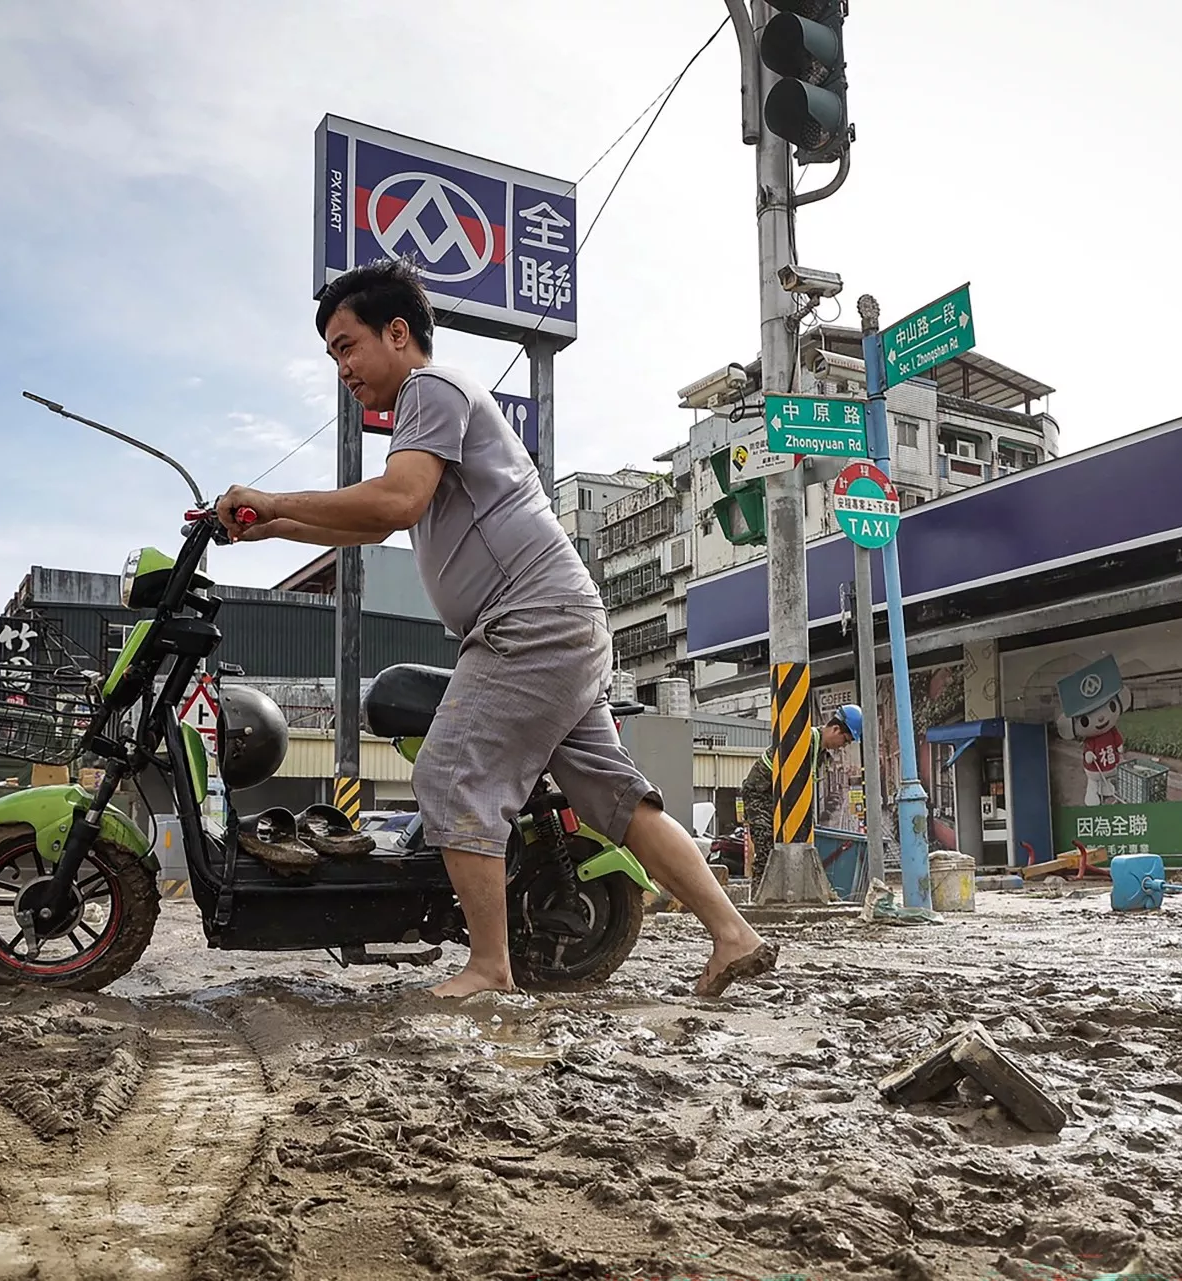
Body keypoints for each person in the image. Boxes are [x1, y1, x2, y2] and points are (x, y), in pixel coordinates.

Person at [216, 257, 776, 999]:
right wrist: (270, 525)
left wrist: (269, 496)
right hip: (561, 619)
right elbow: (376, 516)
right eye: (332, 355)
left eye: (347, 346)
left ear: (397, 332)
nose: (341, 367)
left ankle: (488, 967)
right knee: (616, 800)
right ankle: (734, 933)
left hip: (529, 619)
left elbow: (396, 502)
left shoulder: (431, 388)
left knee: (449, 774)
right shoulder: (435, 406)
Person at [741, 706, 861, 885]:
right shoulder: (804, 739)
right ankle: (760, 896)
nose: (843, 746)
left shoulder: (819, 749)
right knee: (767, 846)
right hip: (760, 795)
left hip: (778, 796)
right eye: (845, 740)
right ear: (836, 729)